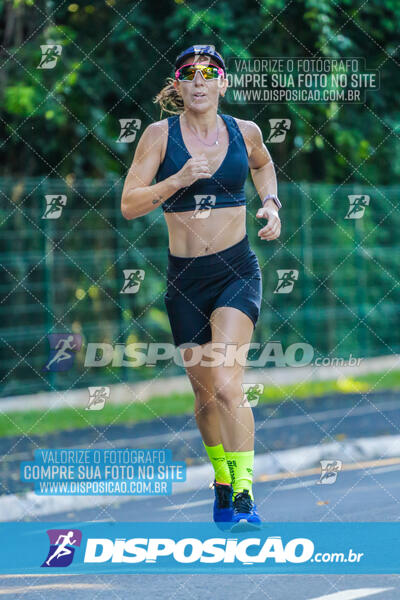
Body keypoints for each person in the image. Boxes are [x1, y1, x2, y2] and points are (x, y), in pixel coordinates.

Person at [121, 45, 281, 531]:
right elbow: (129, 204)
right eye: (188, 74)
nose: (198, 81)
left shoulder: (244, 132)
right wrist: (176, 179)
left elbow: (262, 164)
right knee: (207, 396)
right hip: (185, 280)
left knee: (230, 385)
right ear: (177, 85)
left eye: (209, 73)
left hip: (236, 271)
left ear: (222, 84)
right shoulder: (158, 136)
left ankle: (245, 495)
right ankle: (221, 479)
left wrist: (271, 204)